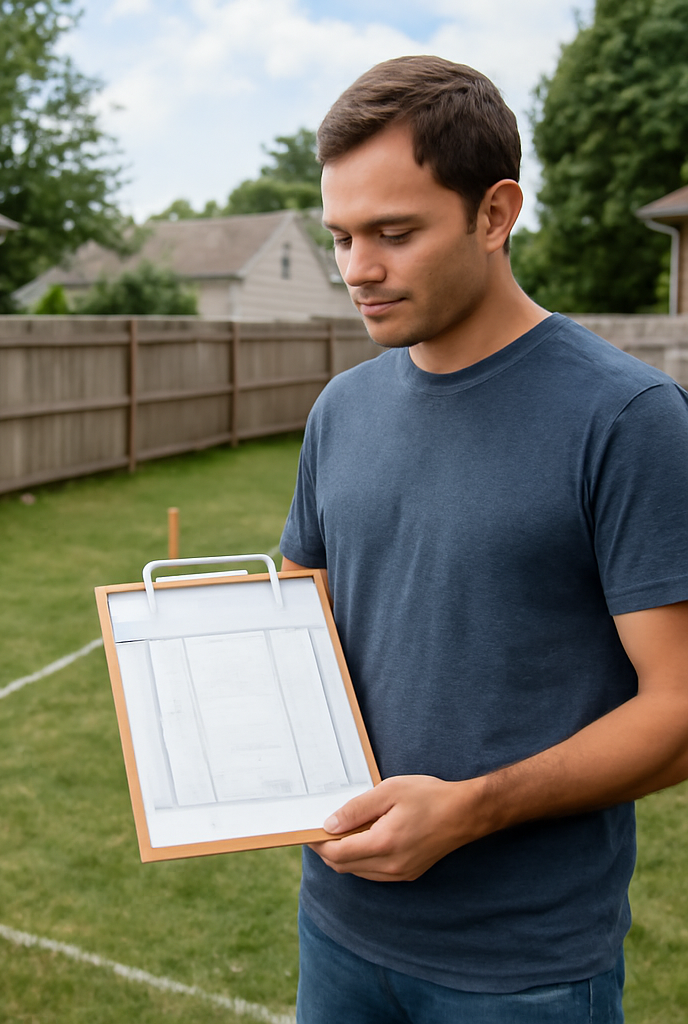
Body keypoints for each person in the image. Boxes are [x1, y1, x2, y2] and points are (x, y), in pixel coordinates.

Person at [279, 54, 688, 1023]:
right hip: (335, 926)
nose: (356, 269)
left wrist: (472, 807)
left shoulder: (627, 418)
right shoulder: (340, 410)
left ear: (495, 214)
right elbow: (293, 629)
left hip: (523, 969)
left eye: (392, 232)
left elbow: (677, 709)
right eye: (339, 236)